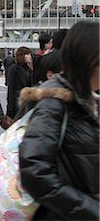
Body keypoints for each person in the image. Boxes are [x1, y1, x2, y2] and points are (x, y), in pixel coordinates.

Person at [19, 21, 99, 220]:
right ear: (91, 61)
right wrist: (89, 210)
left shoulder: (88, 98)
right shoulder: (54, 103)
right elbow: (35, 170)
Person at [6, 47, 34, 121]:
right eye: (27, 54)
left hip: (28, 102)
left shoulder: (29, 69)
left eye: (30, 54)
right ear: (21, 56)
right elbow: (11, 88)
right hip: (17, 101)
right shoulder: (14, 68)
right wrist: (10, 108)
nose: (30, 56)